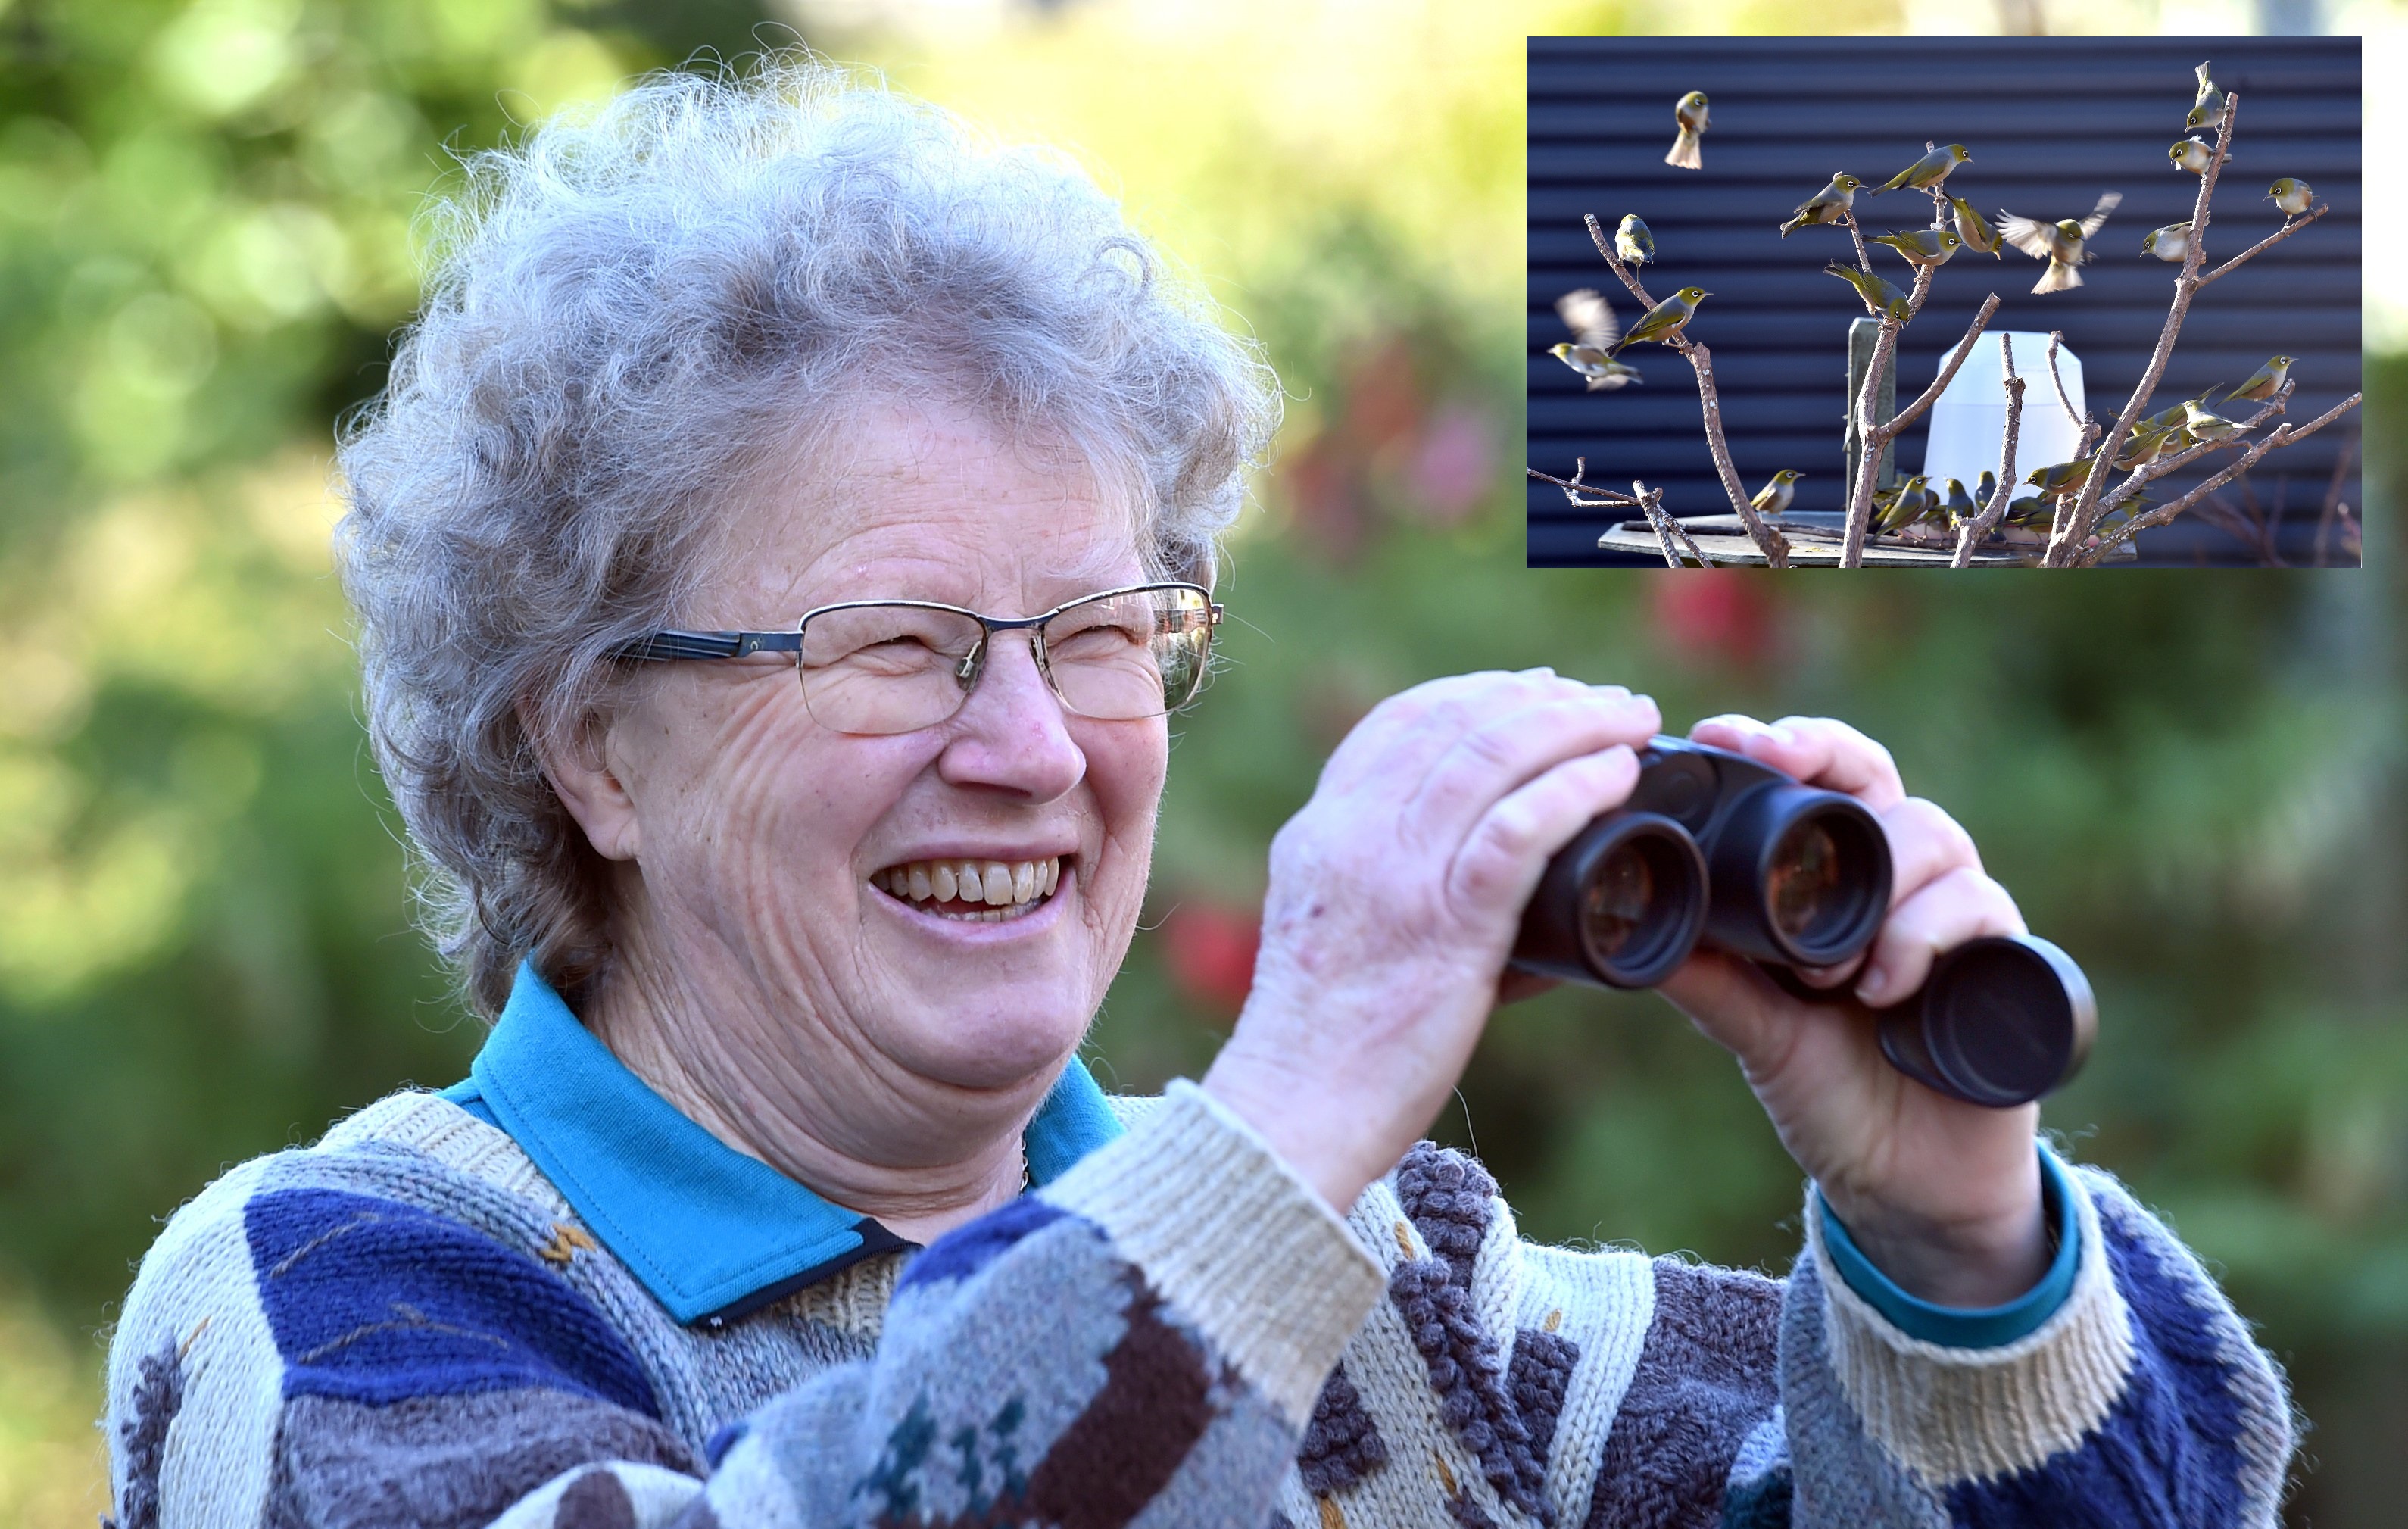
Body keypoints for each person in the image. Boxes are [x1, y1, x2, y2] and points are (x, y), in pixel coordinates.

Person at [104, 58, 2292, 1529]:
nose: (1035, 748)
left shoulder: (1389, 1271)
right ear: (590, 743)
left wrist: (1951, 1242)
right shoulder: (342, 1294)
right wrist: (1305, 1088)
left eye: (1095, 634)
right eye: (899, 645)